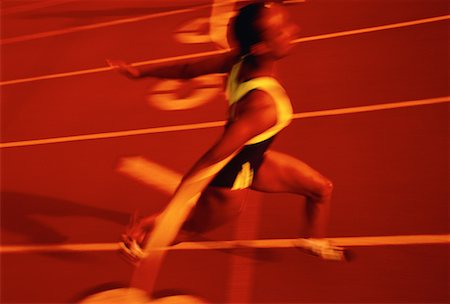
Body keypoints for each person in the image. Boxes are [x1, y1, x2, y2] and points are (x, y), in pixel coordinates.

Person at [108, 1, 345, 261]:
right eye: (281, 30)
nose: (294, 30)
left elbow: (188, 70)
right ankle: (138, 242)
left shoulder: (239, 61)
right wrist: (171, 209)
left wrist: (140, 72)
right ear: (260, 47)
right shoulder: (262, 106)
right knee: (188, 229)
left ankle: (312, 240)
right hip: (232, 181)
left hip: (255, 160)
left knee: (321, 189)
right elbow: (213, 159)